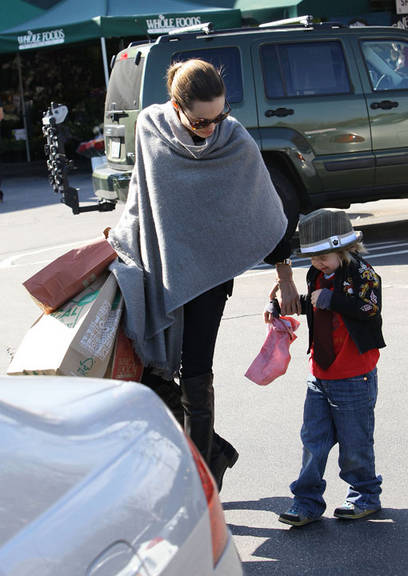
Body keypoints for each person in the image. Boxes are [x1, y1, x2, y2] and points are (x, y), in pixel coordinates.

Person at [108, 58, 300, 490]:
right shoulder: (150, 128)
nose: (211, 128)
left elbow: (267, 210)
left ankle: (200, 484)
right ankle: (213, 451)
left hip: (211, 278)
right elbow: (141, 197)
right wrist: (121, 243)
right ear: (176, 104)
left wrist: (285, 274)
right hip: (161, 269)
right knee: (152, 375)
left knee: (195, 373)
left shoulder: (234, 140)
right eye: (200, 120)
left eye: (220, 117)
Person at [266, 209, 385, 526]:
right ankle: (306, 501)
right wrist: (280, 307)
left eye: (324, 257)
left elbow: (369, 307)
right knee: (312, 442)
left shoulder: (363, 274)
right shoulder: (318, 276)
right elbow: (316, 304)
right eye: (313, 257)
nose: (318, 263)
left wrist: (330, 299)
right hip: (319, 373)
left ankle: (365, 495)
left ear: (346, 248)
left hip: (354, 375)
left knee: (355, 444)